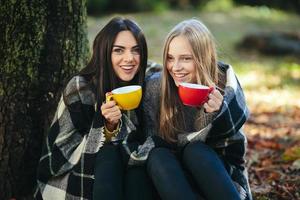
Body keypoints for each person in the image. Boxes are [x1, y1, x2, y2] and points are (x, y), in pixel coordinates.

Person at [128, 19, 252, 200]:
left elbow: (234, 152)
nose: (175, 67)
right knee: (158, 155)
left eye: (186, 58)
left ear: (203, 59)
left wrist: (214, 116)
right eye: (170, 58)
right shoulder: (156, 88)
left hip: (214, 176)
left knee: (195, 151)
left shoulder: (224, 89)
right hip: (171, 178)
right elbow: (151, 143)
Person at [35, 16, 155, 200]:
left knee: (138, 175)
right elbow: (57, 157)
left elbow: (171, 70)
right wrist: (105, 127)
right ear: (104, 52)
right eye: (118, 50)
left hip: (128, 164)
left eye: (136, 50)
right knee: (111, 157)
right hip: (80, 174)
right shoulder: (81, 88)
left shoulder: (144, 81)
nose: (129, 58)